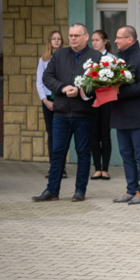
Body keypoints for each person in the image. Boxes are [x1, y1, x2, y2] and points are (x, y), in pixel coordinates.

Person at [32, 23, 102, 202]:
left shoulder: (96, 57)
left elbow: (101, 84)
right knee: (57, 152)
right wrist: (63, 88)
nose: (72, 38)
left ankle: (80, 191)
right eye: (70, 35)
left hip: (84, 113)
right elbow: (47, 77)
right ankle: (52, 190)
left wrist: (81, 91)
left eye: (76, 35)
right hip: (61, 112)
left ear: (86, 37)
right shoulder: (59, 55)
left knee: (83, 152)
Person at [110, 25, 140, 205]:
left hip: (137, 116)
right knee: (126, 154)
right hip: (120, 115)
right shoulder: (118, 59)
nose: (115, 40)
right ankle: (131, 190)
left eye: (119, 37)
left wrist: (117, 91)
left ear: (130, 39)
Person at [36, 30, 67, 180]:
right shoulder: (44, 59)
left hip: (62, 98)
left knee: (63, 133)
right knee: (52, 134)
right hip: (48, 99)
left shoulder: (66, 58)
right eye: (53, 39)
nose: (56, 41)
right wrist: (45, 100)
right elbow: (39, 82)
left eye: (59, 39)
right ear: (49, 41)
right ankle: (53, 166)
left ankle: (63, 167)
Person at [89, 30, 112, 181]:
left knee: (105, 134)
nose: (94, 43)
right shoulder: (89, 58)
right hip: (91, 100)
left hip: (107, 100)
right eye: (93, 40)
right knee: (93, 134)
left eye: (97, 40)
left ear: (105, 41)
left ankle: (105, 168)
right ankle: (97, 168)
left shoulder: (111, 58)